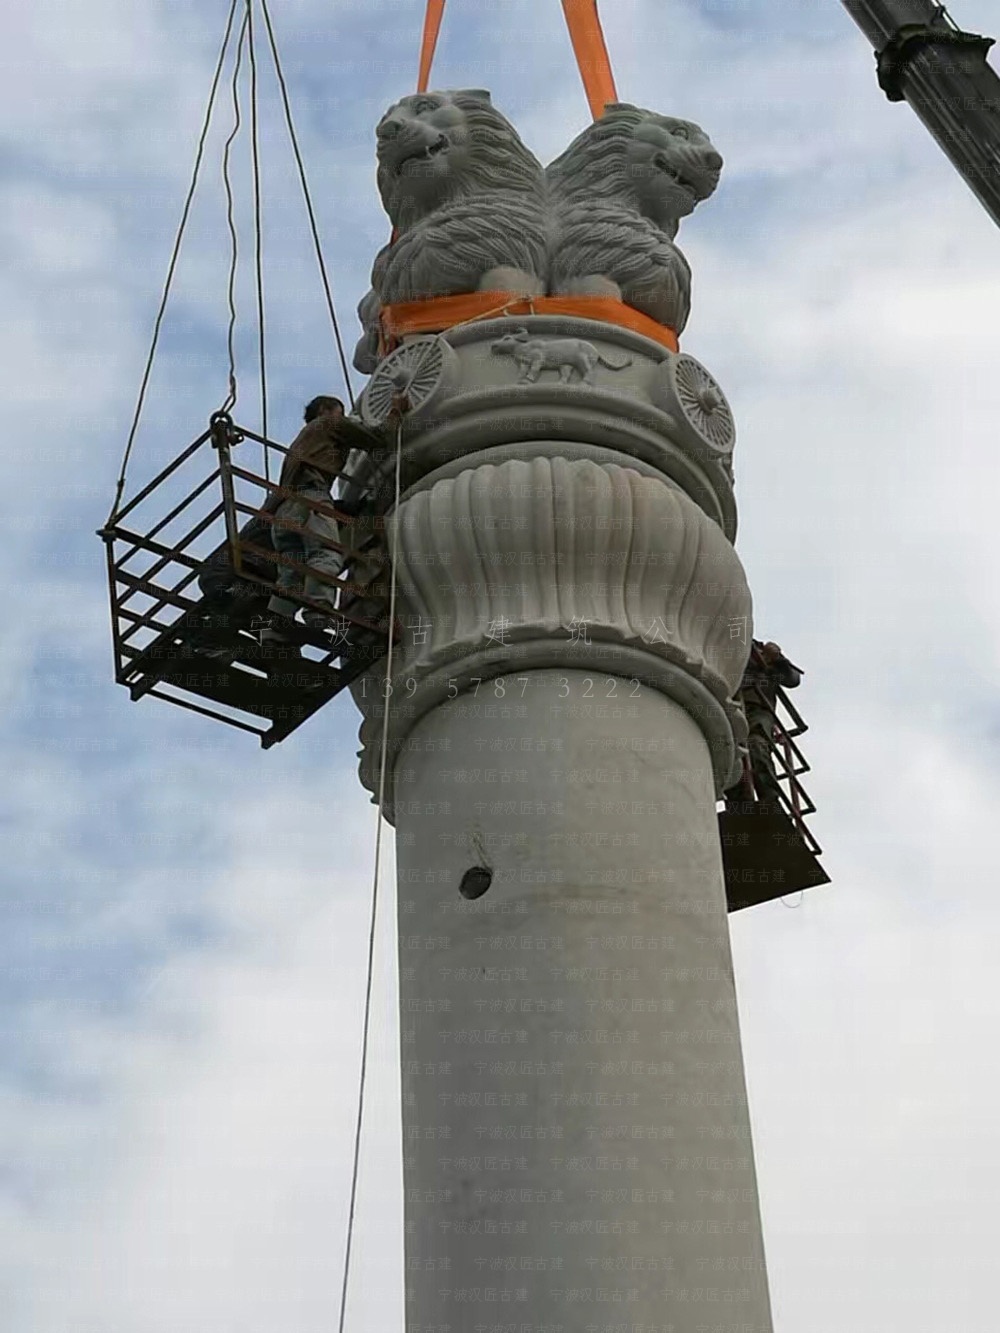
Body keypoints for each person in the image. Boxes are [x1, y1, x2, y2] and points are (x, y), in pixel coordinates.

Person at [262, 395, 350, 645]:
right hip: (310, 499)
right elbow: (375, 435)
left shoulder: (301, 440)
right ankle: (318, 612)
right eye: (339, 413)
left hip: (284, 511)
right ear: (325, 410)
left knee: (291, 571)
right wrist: (396, 413)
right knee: (325, 553)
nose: (342, 419)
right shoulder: (327, 424)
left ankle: (274, 628)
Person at [725, 640, 803, 810]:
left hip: (757, 708)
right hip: (730, 708)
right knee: (731, 754)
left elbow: (792, 679)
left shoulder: (759, 650)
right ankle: (738, 805)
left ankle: (769, 799)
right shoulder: (721, 642)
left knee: (756, 746)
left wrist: (775, 658)